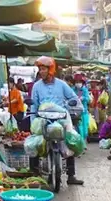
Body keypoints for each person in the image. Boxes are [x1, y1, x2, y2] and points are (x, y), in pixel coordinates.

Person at [29, 57, 83, 186]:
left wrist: (75, 106)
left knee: (70, 140)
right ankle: (35, 173)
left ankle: (71, 175)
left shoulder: (61, 84)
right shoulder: (36, 86)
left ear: (50, 70)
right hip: (43, 120)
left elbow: (73, 98)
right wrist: (32, 122)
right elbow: (34, 105)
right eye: (40, 69)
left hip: (61, 119)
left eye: (43, 69)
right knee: (35, 142)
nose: (41, 72)